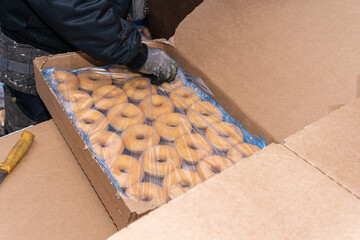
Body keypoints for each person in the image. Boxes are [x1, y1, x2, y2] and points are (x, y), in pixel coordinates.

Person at [0, 0, 178, 134]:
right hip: (36, 44)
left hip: (84, 36)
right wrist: (132, 51)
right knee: (41, 132)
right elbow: (73, 7)